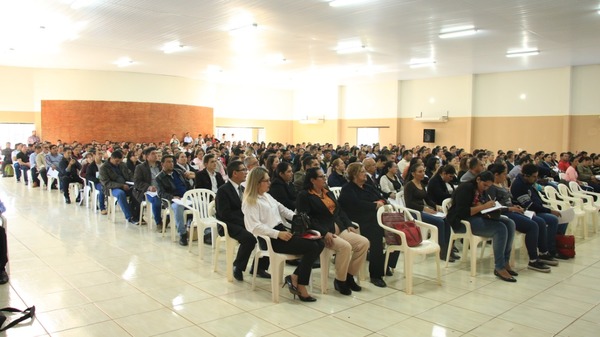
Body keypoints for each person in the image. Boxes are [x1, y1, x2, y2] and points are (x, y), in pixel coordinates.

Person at [242, 167, 323, 302]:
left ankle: (295, 277)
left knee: (319, 242)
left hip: (282, 232)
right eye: (266, 181)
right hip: (271, 239)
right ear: (257, 182)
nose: (270, 183)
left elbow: (283, 209)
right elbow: (254, 227)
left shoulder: (267, 196)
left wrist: (298, 218)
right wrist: (277, 234)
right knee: (313, 247)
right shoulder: (251, 202)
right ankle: (301, 285)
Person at [297, 168, 368, 295]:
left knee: (363, 243)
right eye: (321, 177)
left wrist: (348, 224)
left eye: (324, 176)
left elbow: (340, 210)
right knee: (345, 247)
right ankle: (340, 281)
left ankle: (349, 276)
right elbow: (307, 220)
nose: (324, 178)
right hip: (322, 232)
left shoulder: (327, 192)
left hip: (338, 228)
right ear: (312, 180)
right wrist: (324, 233)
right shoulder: (305, 195)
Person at [447, 171, 517, 282]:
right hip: (461, 222)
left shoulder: (481, 189)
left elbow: (480, 204)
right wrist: (483, 206)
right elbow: (462, 212)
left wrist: (491, 207)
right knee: (500, 229)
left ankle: (505, 262)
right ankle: (499, 267)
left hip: (476, 217)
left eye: (488, 186)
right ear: (478, 179)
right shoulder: (465, 188)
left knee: (510, 223)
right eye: (484, 185)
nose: (485, 188)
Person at [487, 164, 556, 273]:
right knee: (532, 226)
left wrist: (515, 206)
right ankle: (533, 260)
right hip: (505, 214)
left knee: (540, 221)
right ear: (496, 175)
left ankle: (543, 253)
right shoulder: (491, 187)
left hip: (512, 210)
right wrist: (511, 208)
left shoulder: (501, 184)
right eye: (504, 174)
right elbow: (494, 206)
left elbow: (509, 200)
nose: (506, 176)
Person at [216, 161, 270, 281]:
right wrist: (246, 220)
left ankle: (260, 267)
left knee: (266, 232)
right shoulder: (223, 190)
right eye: (243, 170)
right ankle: (238, 267)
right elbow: (225, 214)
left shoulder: (244, 188)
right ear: (234, 173)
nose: (246, 172)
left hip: (244, 221)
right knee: (249, 238)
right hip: (229, 224)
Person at [338, 162, 388, 287]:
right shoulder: (348, 189)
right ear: (354, 174)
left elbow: (382, 198)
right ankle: (376, 275)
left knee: (395, 231)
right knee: (377, 235)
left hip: (373, 217)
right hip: (358, 220)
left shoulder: (367, 187)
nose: (365, 174)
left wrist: (380, 202)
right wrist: (374, 205)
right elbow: (355, 205)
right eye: (362, 171)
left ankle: (387, 264)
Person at [510, 164, 569, 259]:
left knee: (563, 218)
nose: (536, 179)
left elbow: (536, 201)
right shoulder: (518, 185)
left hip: (536, 209)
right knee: (553, 219)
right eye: (534, 176)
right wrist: (549, 211)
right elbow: (529, 205)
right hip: (528, 212)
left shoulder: (527, 183)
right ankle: (550, 249)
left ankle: (556, 246)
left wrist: (547, 208)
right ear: (526, 175)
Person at [404, 164, 454, 261]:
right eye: (420, 172)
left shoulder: (421, 184)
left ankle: (449, 249)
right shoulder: (409, 186)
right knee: (439, 222)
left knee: (446, 220)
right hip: (414, 213)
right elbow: (409, 204)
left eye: (423, 171)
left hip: (423, 210)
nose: (423, 174)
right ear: (413, 174)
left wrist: (436, 206)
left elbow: (428, 199)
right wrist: (423, 208)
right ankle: (442, 252)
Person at [156, 155, 193, 245]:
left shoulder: (179, 172)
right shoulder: (159, 178)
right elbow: (161, 193)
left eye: (172, 162)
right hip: (173, 201)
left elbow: (187, 185)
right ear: (162, 164)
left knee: (202, 204)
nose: (171, 164)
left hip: (186, 197)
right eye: (168, 162)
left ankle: (204, 231)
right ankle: (182, 234)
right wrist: (172, 197)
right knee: (178, 207)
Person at [99, 150, 140, 224]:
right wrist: (121, 186)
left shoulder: (122, 164)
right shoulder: (104, 168)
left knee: (137, 191)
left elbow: (129, 174)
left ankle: (137, 215)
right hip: (111, 188)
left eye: (119, 161)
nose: (118, 163)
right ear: (111, 158)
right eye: (116, 161)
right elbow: (106, 183)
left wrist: (134, 181)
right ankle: (129, 216)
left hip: (126, 185)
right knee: (120, 194)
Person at [133, 147, 163, 228]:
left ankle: (167, 219)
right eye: (153, 154)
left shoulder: (161, 165)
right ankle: (159, 222)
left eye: (156, 153)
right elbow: (137, 182)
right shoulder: (140, 167)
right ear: (147, 157)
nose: (156, 155)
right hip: (149, 191)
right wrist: (148, 187)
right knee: (156, 202)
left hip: (163, 189)